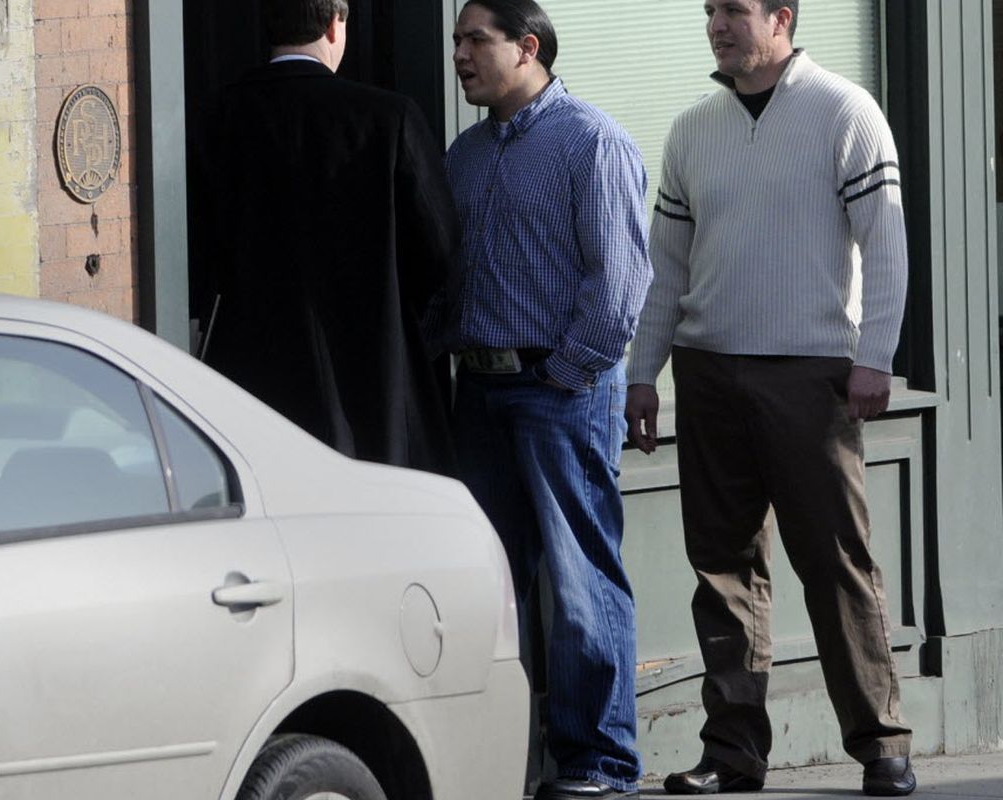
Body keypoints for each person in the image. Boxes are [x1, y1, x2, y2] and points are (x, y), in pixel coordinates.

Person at [624, 1, 914, 796]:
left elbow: (885, 245)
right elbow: (666, 269)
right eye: (710, 11)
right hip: (708, 370)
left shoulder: (844, 111)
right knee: (722, 567)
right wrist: (643, 372)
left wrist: (875, 358)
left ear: (782, 17)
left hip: (809, 371)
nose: (717, 24)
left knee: (835, 563)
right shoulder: (691, 130)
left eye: (735, 11)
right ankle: (732, 752)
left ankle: (883, 743)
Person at [439, 1, 652, 797]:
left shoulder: (591, 140)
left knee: (579, 582)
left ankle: (600, 764)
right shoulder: (463, 154)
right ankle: (502, 759)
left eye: (475, 40)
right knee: (490, 584)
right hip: (477, 394)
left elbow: (622, 279)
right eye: (457, 40)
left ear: (527, 47)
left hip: (557, 392)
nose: (460, 54)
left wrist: (566, 375)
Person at [197, 0, 460, 475]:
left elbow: (198, 251)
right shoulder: (389, 116)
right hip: (372, 374)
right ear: (335, 25)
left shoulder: (217, 117)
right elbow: (440, 247)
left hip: (251, 379)